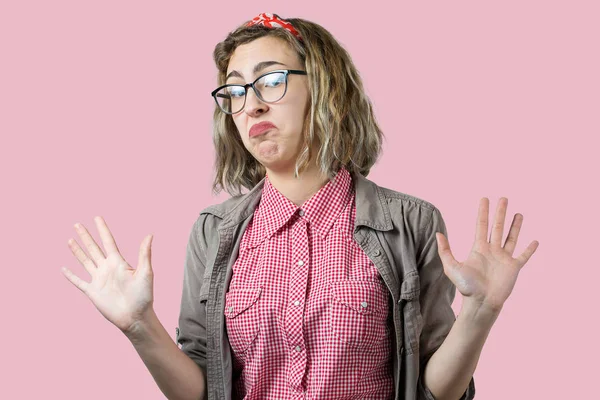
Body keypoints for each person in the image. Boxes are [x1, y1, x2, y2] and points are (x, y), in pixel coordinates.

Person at [61, 12, 539, 400]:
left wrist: (482, 311)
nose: (251, 106)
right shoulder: (213, 232)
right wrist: (139, 325)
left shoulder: (410, 223)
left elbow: (434, 389)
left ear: (326, 86)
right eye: (235, 91)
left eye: (270, 81)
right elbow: (202, 391)